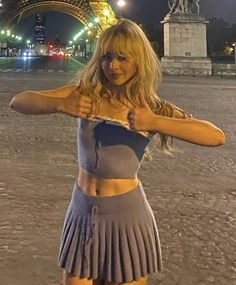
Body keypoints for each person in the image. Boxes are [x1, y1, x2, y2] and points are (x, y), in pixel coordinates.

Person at [9, 19, 225, 285]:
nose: (113, 66)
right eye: (107, 57)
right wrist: (60, 104)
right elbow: (18, 102)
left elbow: (216, 136)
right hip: (82, 212)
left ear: (140, 60)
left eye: (123, 58)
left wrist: (155, 122)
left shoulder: (151, 106)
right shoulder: (86, 94)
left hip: (127, 217)